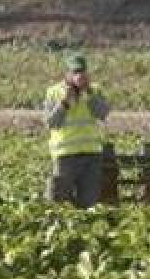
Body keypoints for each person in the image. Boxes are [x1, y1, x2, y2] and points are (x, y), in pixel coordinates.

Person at [44, 53, 110, 208]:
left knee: (89, 202)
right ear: (67, 74)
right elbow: (51, 122)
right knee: (61, 201)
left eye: (82, 72)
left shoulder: (94, 90)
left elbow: (103, 113)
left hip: (91, 155)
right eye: (75, 72)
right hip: (65, 155)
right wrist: (65, 103)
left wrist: (88, 94)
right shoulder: (54, 92)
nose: (79, 76)